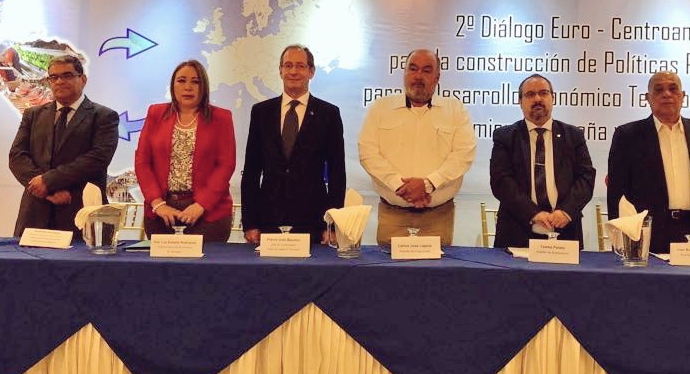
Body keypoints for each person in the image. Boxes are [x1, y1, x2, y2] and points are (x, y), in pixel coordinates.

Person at [359, 48, 476, 245]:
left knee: (438, 266)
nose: (418, 76)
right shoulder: (380, 108)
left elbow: (463, 155)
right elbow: (368, 153)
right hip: (392, 215)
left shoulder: (455, 110)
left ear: (437, 78)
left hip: (438, 217)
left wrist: (427, 184)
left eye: (427, 70)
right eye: (413, 69)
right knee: (386, 265)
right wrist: (400, 186)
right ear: (404, 73)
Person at [607, 71, 690, 253]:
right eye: (659, 90)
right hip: (647, 233)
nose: (667, 94)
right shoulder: (627, 135)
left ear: (683, 96)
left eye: (673, 89)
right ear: (648, 98)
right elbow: (617, 192)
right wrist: (620, 237)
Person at [241, 44, 346, 244]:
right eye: (288, 65)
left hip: (313, 220)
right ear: (280, 71)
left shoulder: (328, 114)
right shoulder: (261, 112)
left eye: (300, 66)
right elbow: (251, 171)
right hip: (268, 219)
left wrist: (332, 226)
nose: (293, 71)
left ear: (311, 72)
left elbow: (337, 174)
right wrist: (250, 223)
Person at [8, 55, 119, 236]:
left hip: (81, 213)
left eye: (67, 75)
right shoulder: (32, 115)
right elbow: (17, 157)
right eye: (54, 77)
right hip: (35, 214)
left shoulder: (104, 116)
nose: (59, 81)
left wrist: (49, 181)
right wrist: (46, 190)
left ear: (83, 79)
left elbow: (97, 159)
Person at [135, 59, 236, 242]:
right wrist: (157, 204)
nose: (188, 87)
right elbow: (142, 161)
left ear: (204, 87)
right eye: (181, 80)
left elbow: (226, 165)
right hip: (162, 213)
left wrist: (201, 205)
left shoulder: (221, 118)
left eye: (195, 82)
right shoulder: (156, 113)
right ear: (172, 85)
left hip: (208, 213)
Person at [490, 74, 595, 248]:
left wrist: (566, 211)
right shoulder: (505, 137)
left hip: (565, 230)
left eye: (543, 93)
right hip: (517, 231)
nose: (537, 99)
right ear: (520, 101)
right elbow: (501, 181)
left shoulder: (573, 135)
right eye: (530, 94)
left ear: (553, 98)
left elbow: (586, 178)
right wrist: (534, 213)